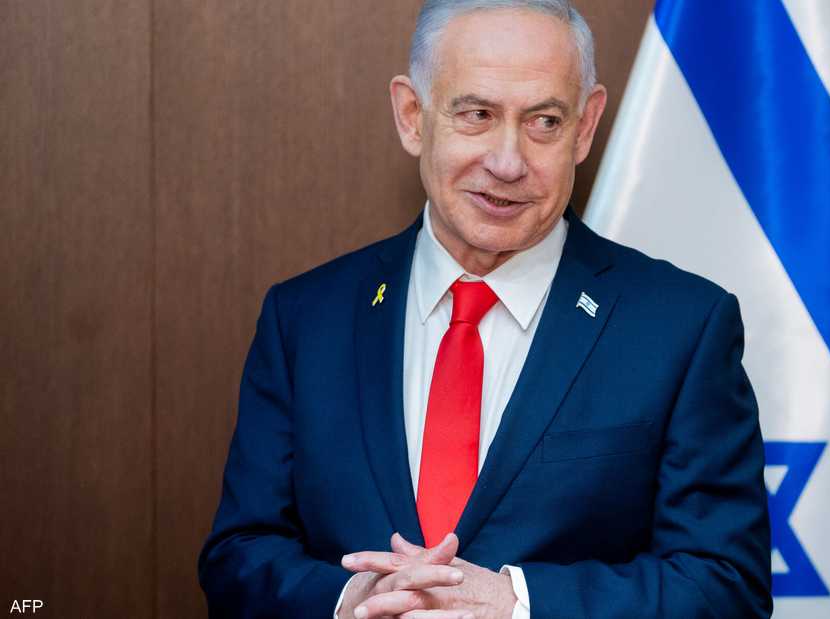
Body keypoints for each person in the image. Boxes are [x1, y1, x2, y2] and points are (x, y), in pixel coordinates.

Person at [197, 1, 772, 617]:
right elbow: (239, 557)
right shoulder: (305, 319)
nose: (507, 162)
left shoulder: (681, 328)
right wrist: (350, 601)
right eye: (477, 114)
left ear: (584, 127)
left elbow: (725, 586)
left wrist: (520, 604)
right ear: (412, 116)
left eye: (545, 121)